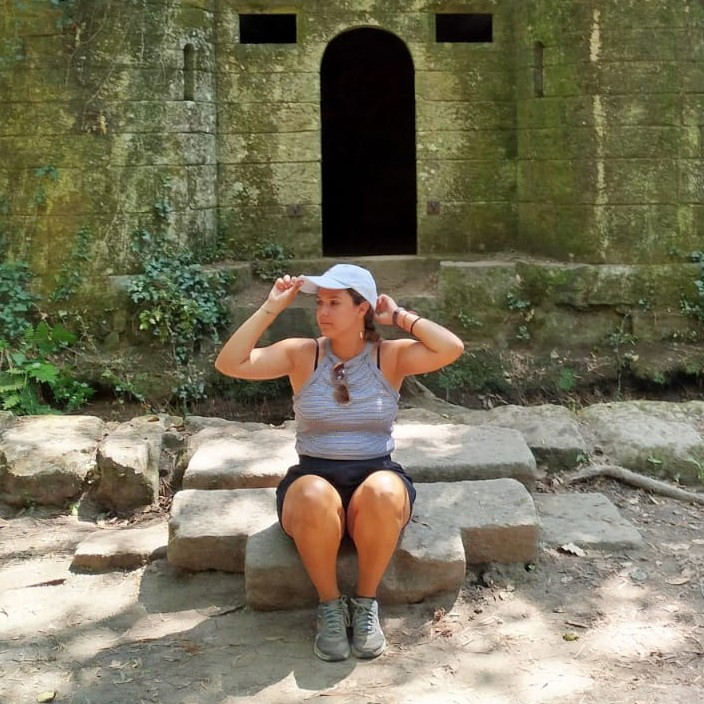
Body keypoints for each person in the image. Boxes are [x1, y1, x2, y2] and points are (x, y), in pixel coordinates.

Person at [214, 263, 464, 661]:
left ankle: (365, 605)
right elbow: (230, 363)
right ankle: (330, 607)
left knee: (384, 490)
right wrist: (271, 307)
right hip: (312, 477)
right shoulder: (302, 354)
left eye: (334, 303)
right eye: (320, 303)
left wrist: (398, 316)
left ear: (362, 308)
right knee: (313, 494)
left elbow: (451, 348)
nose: (323, 312)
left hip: (376, 473)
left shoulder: (390, 357)